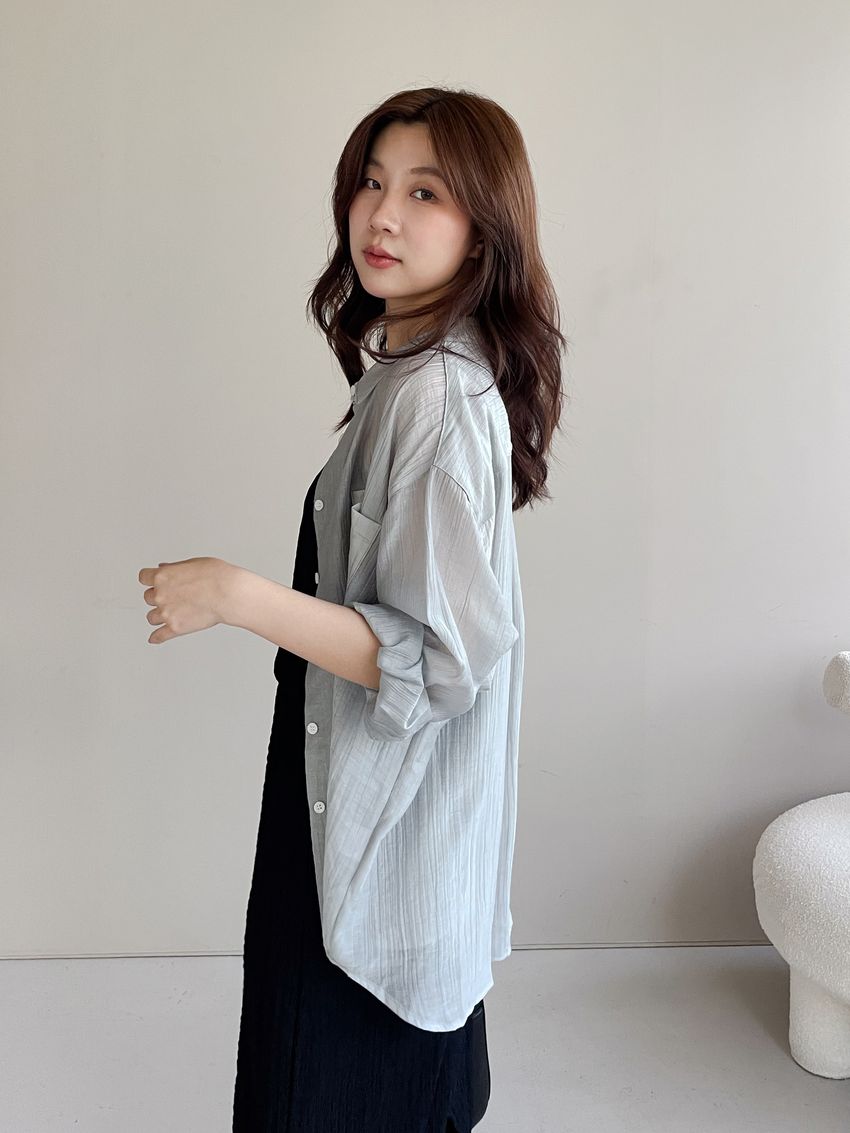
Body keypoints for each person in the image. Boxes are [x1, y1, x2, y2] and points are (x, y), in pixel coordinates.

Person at [138, 84, 567, 1133]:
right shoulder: (406, 371)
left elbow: (438, 659)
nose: (381, 214)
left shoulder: (437, 399)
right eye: (372, 182)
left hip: (385, 813)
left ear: (482, 230)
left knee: (338, 1077)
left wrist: (239, 594)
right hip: (345, 779)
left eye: (425, 192)